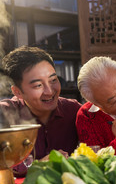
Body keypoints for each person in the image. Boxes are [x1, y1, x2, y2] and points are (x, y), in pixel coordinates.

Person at [0, 46, 81, 174]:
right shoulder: (4, 113)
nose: (49, 91)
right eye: (38, 85)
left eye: (53, 80)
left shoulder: (73, 110)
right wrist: (38, 166)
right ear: (17, 92)